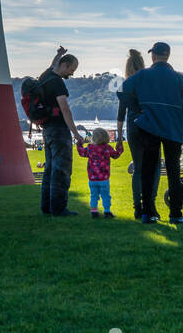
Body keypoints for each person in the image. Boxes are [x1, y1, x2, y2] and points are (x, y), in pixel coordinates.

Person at [117, 41, 183, 224]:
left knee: (148, 171)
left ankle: (147, 213)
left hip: (149, 127)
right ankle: (176, 214)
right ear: (168, 55)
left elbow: (122, 92)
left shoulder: (143, 75)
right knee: (174, 172)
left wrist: (138, 109)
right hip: (173, 129)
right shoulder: (179, 78)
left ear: (153, 56)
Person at [36, 46, 83, 217]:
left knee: (49, 169)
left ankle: (46, 206)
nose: (72, 73)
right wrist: (76, 133)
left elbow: (53, 64)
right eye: (71, 69)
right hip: (59, 130)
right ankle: (59, 208)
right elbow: (65, 109)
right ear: (64, 65)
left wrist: (58, 54)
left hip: (47, 129)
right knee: (61, 170)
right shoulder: (57, 83)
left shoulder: (46, 76)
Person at [115, 48, 160, 219]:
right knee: (154, 167)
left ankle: (137, 206)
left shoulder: (125, 86)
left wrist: (119, 137)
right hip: (150, 126)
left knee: (138, 168)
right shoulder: (149, 84)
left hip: (133, 128)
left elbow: (121, 114)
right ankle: (151, 204)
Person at [76, 127, 124, 218]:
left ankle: (94, 211)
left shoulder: (90, 148)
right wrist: (120, 148)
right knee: (106, 195)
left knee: (94, 195)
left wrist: (79, 144)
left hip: (92, 179)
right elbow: (115, 155)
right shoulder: (107, 148)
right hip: (104, 179)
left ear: (93, 138)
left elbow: (81, 152)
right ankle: (107, 211)